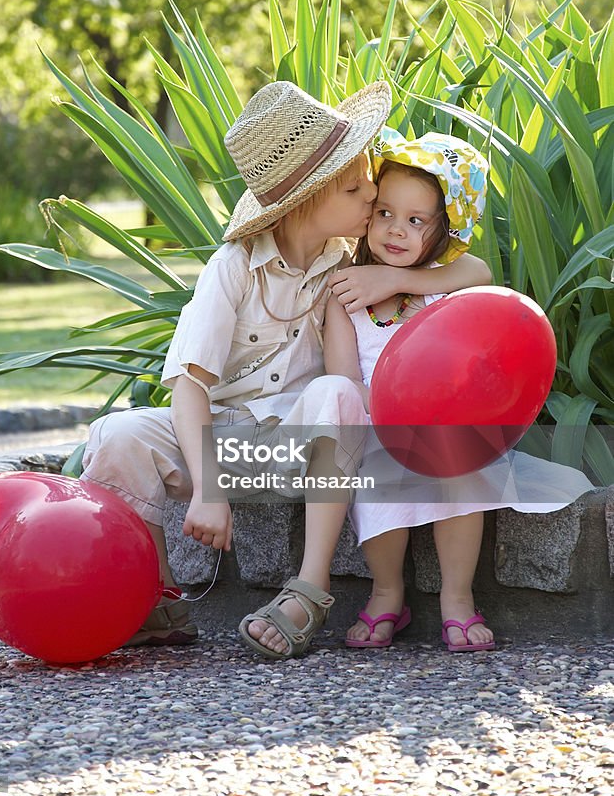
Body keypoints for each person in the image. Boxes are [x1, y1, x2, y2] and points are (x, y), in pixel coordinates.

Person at [81, 82, 492, 661]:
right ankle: (155, 598)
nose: (371, 193)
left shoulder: (346, 266)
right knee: (116, 434)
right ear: (307, 200)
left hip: (306, 446)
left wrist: (400, 279)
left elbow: (472, 269)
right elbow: (190, 385)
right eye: (355, 188)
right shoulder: (233, 268)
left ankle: (308, 589)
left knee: (335, 391)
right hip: (226, 441)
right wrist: (208, 487)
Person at [324, 129, 594, 652]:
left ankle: (458, 598)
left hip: (444, 424)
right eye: (384, 213)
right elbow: (345, 381)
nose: (395, 230)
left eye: (415, 220)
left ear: (443, 231)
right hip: (379, 423)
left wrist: (399, 280)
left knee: (464, 473)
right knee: (374, 481)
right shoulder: (347, 293)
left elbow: (481, 271)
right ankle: (387, 593)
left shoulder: (442, 279)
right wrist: (374, 281)